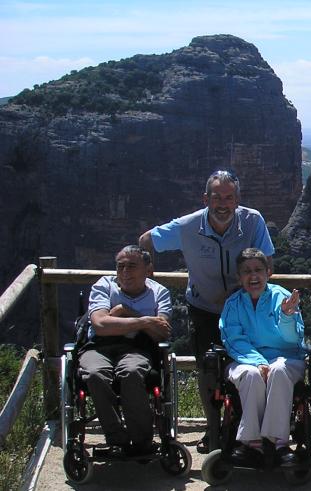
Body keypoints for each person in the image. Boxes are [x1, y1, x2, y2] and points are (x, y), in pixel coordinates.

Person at [139, 169, 275, 453]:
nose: (222, 203)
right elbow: (146, 240)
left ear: (237, 199)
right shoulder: (188, 226)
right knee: (207, 371)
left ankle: (241, 426)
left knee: (246, 366)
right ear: (205, 199)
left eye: (229, 197)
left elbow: (268, 262)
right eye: (217, 197)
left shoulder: (253, 221)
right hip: (205, 309)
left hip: (244, 309)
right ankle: (213, 430)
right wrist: (148, 272)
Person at [79, 245, 172, 456]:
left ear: (148, 270)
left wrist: (123, 312)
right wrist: (145, 321)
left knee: (131, 373)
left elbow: (162, 333)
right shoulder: (103, 285)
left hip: (137, 349)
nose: (125, 272)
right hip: (98, 347)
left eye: (132, 266)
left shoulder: (159, 293)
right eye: (120, 266)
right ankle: (117, 439)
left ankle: (142, 443)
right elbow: (101, 325)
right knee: (94, 374)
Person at [219, 248, 305, 467]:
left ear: (269, 272)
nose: (253, 276)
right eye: (246, 271)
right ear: (239, 277)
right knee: (250, 375)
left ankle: (278, 443)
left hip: (286, 358)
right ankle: (252, 443)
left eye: (258, 270)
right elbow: (234, 339)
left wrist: (286, 316)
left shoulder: (282, 297)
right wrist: (258, 362)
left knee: (278, 370)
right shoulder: (233, 305)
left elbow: (293, 338)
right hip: (245, 360)